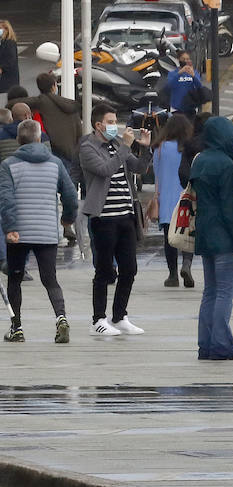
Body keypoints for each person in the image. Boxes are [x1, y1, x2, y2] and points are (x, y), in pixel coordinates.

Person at [0, 120, 78, 344]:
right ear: (38, 138)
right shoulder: (55, 163)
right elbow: (71, 195)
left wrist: (11, 227)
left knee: (15, 280)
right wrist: (67, 219)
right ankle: (61, 318)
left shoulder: (8, 165)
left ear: (18, 140)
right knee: (50, 280)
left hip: (19, 234)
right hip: (46, 232)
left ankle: (17, 328)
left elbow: (6, 199)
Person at [79, 102, 152, 337]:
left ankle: (119, 316)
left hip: (125, 216)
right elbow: (105, 170)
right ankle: (98, 319)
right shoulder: (88, 147)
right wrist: (125, 147)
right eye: (110, 122)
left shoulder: (117, 144)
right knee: (103, 270)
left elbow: (139, 167)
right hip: (104, 218)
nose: (115, 126)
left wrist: (145, 148)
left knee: (129, 268)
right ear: (98, 125)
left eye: (115, 122)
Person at [191, 116, 233, 360]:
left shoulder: (199, 160)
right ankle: (222, 345)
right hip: (223, 237)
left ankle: (205, 344)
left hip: (204, 234)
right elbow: (230, 207)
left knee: (210, 292)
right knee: (225, 293)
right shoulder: (225, 164)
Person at [152, 114, 196, 288]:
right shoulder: (188, 149)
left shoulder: (160, 148)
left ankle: (172, 275)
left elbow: (156, 175)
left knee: (169, 238)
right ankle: (187, 264)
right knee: (187, 234)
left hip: (166, 199)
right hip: (185, 197)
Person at [24, 72, 80, 172]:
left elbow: (13, 104)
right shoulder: (71, 105)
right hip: (71, 153)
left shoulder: (40, 103)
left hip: (52, 150)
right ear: (54, 86)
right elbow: (79, 132)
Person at [163, 50, 205, 115]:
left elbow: (199, 87)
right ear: (178, 60)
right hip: (176, 108)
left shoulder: (194, 72)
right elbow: (169, 86)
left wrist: (193, 76)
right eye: (183, 59)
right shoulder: (172, 73)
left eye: (187, 59)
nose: (185, 61)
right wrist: (179, 73)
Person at [0, 20, 19, 93]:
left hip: (8, 76)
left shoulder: (9, 42)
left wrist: (2, 68)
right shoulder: (3, 41)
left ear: (6, 30)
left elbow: (11, 59)